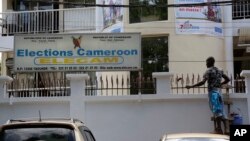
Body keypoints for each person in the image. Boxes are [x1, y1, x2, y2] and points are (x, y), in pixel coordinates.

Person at [185, 56, 230, 134]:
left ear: (210, 62)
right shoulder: (220, 70)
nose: (206, 64)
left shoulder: (208, 71)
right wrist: (220, 84)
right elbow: (228, 79)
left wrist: (191, 86)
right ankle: (226, 129)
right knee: (221, 110)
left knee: (216, 110)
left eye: (206, 62)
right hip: (219, 92)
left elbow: (202, 82)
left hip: (213, 92)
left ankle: (219, 130)